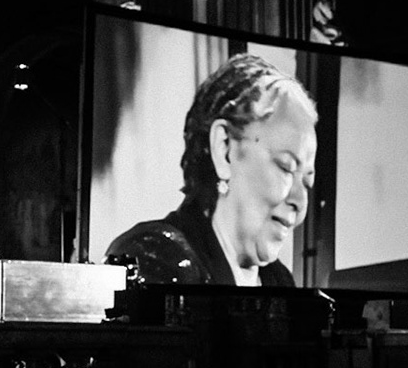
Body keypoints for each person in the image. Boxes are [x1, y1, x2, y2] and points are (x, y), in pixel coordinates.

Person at [105, 53, 316, 286]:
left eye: (307, 182)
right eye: (286, 167)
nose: (300, 202)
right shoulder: (152, 258)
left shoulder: (279, 281)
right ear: (224, 149)